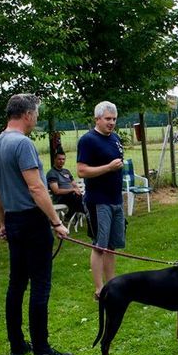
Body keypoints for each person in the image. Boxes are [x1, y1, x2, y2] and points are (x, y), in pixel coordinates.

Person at [0, 94, 72, 355]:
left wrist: (2, 222)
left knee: (16, 284)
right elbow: (36, 188)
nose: (36, 119)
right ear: (26, 115)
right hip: (32, 221)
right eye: (36, 114)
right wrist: (56, 222)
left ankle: (17, 344)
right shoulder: (22, 144)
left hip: (12, 220)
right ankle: (43, 351)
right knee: (40, 286)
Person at [76, 101, 125, 299]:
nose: (111, 123)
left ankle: (111, 286)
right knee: (99, 246)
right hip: (98, 201)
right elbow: (81, 170)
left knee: (112, 245)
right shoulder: (88, 140)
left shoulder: (115, 138)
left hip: (115, 199)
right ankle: (99, 289)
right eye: (107, 119)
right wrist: (108, 168)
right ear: (97, 119)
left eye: (114, 119)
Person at [47, 151, 84, 220]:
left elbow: (74, 185)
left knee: (80, 198)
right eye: (59, 159)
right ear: (55, 159)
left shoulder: (66, 171)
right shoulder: (52, 173)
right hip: (61, 198)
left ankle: (70, 214)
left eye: (63, 159)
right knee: (79, 199)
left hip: (72, 196)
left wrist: (76, 189)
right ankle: (84, 212)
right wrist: (72, 189)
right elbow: (56, 191)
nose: (62, 161)